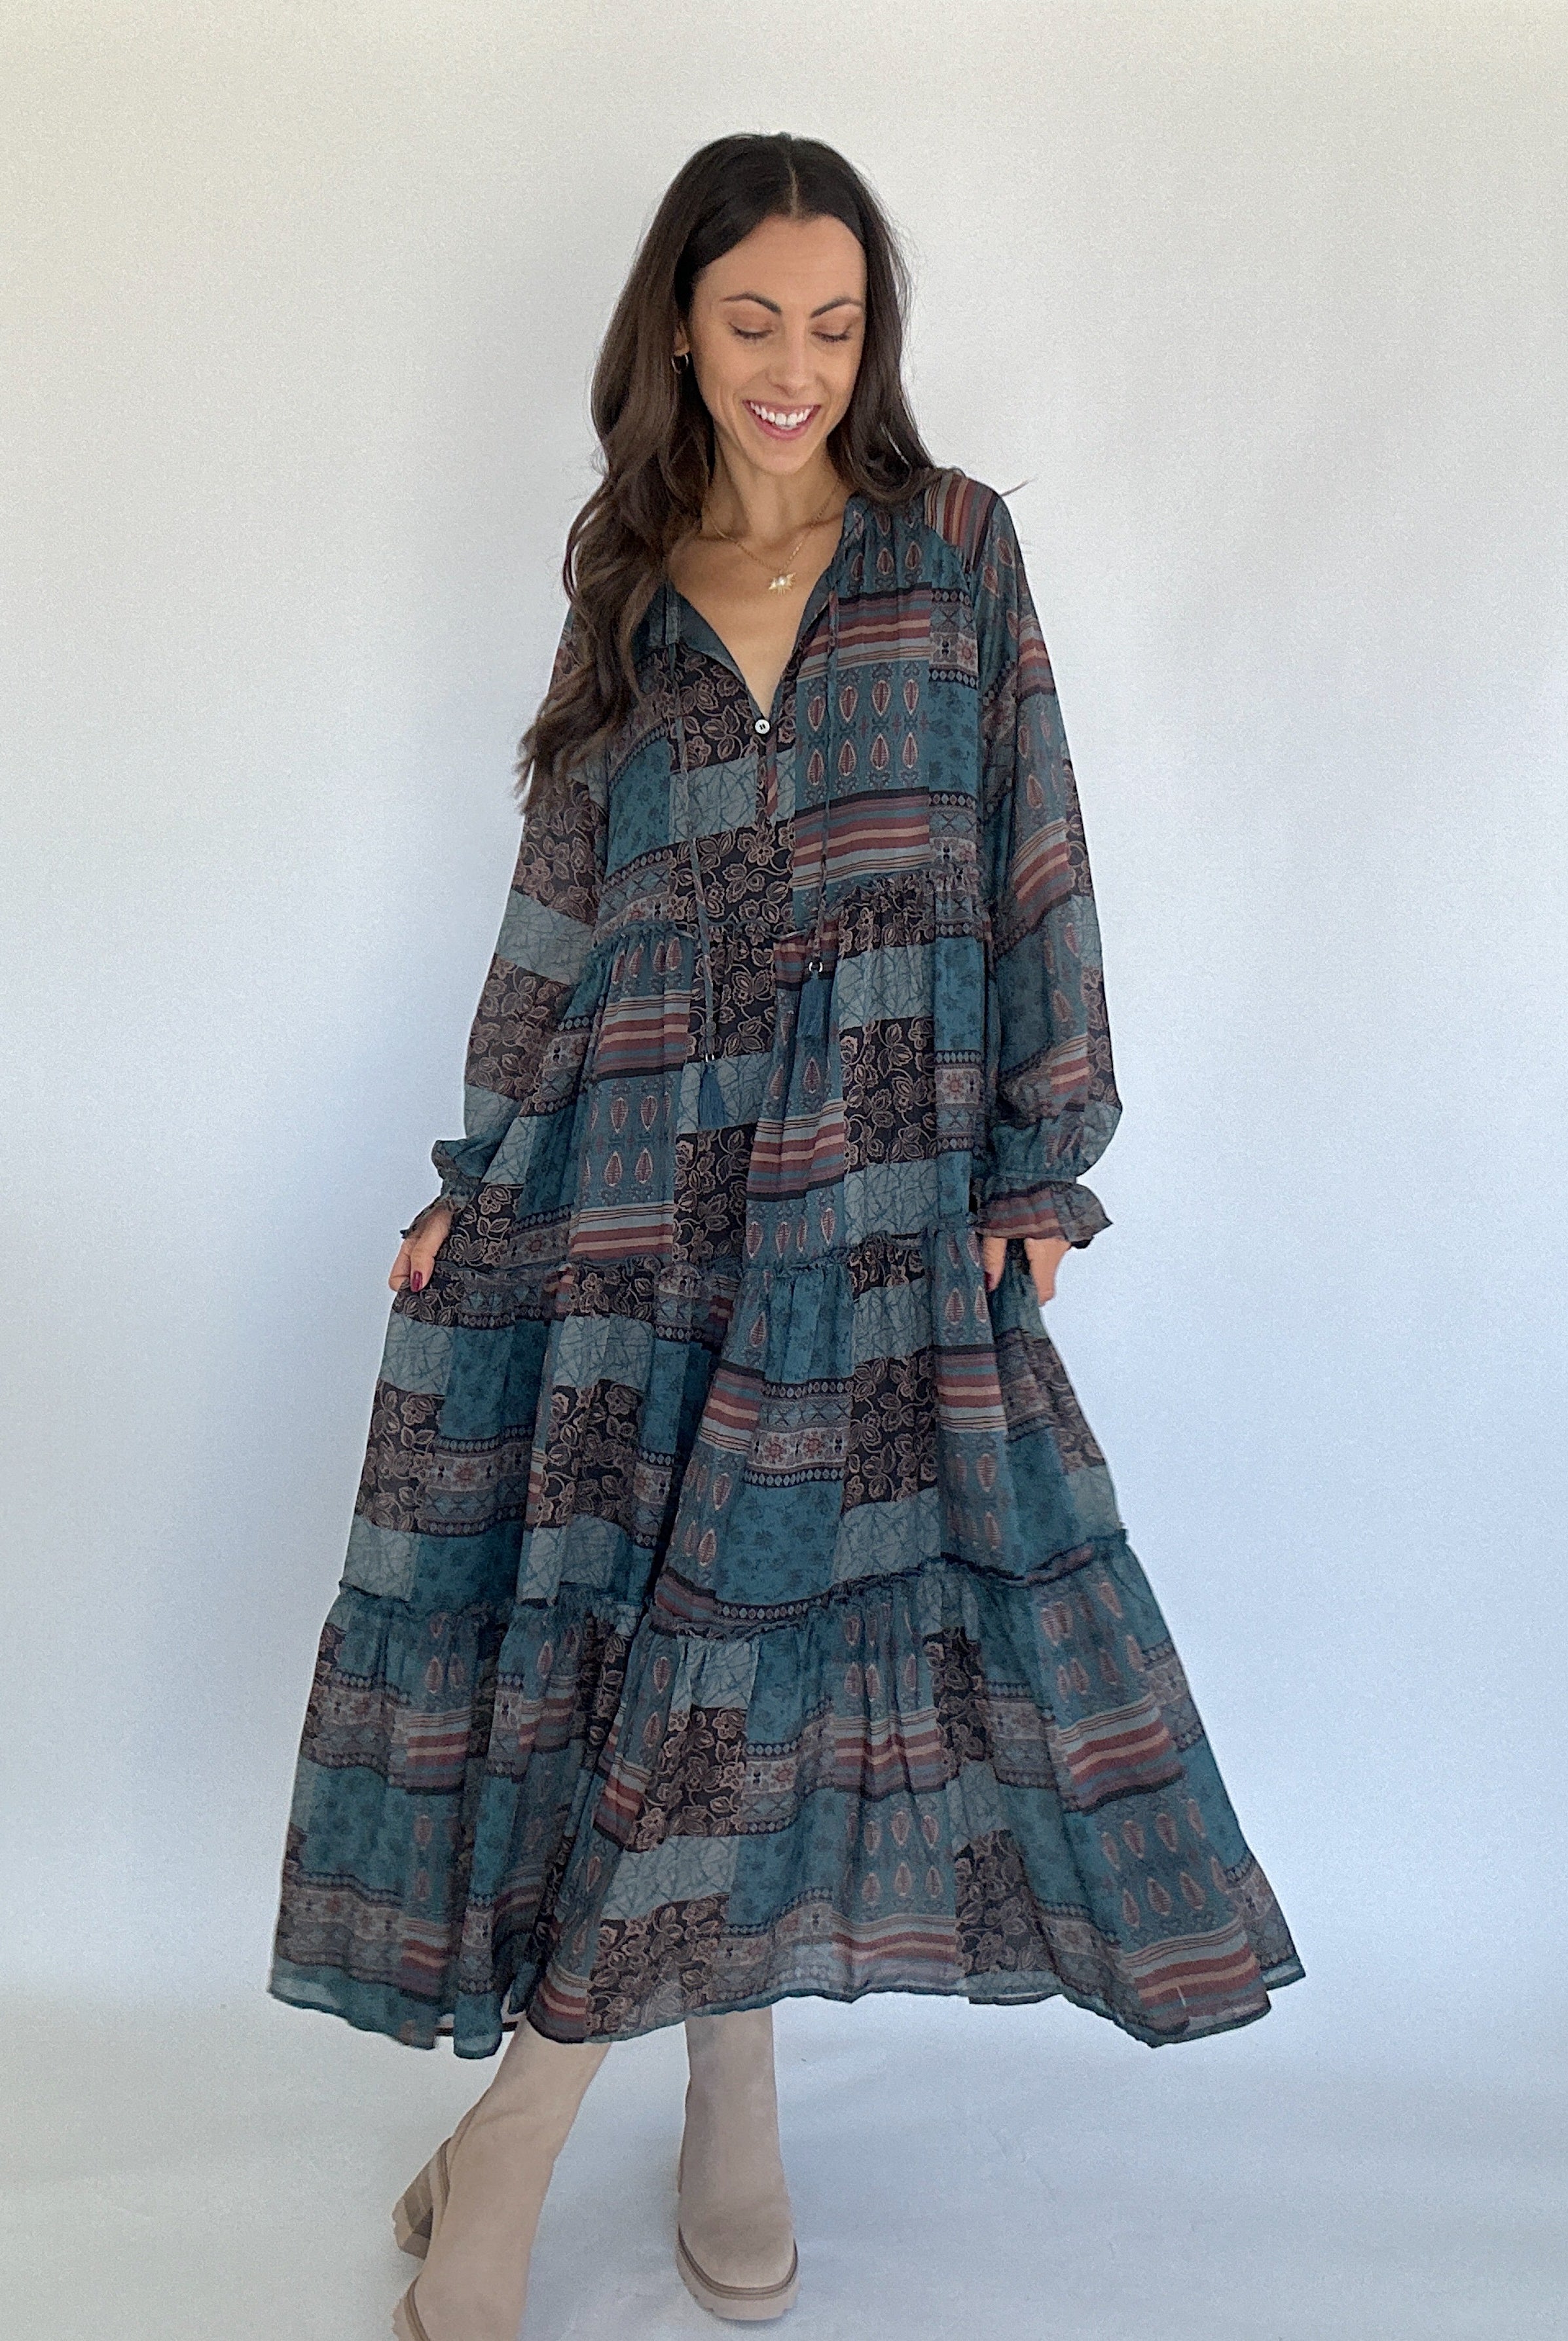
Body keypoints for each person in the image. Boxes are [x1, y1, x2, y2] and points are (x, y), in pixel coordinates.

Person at [268, 131, 1304, 2341]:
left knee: (749, 1664)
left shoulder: (952, 552)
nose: (796, 367)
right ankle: (656, 2102)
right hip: (634, 1204)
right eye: (755, 320)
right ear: (675, 322)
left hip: (878, 1210)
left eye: (836, 327)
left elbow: (1038, 847)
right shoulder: (621, 575)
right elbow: (560, 901)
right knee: (647, 1674)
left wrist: (1039, 1160)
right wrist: (479, 1185)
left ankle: (547, 2135)